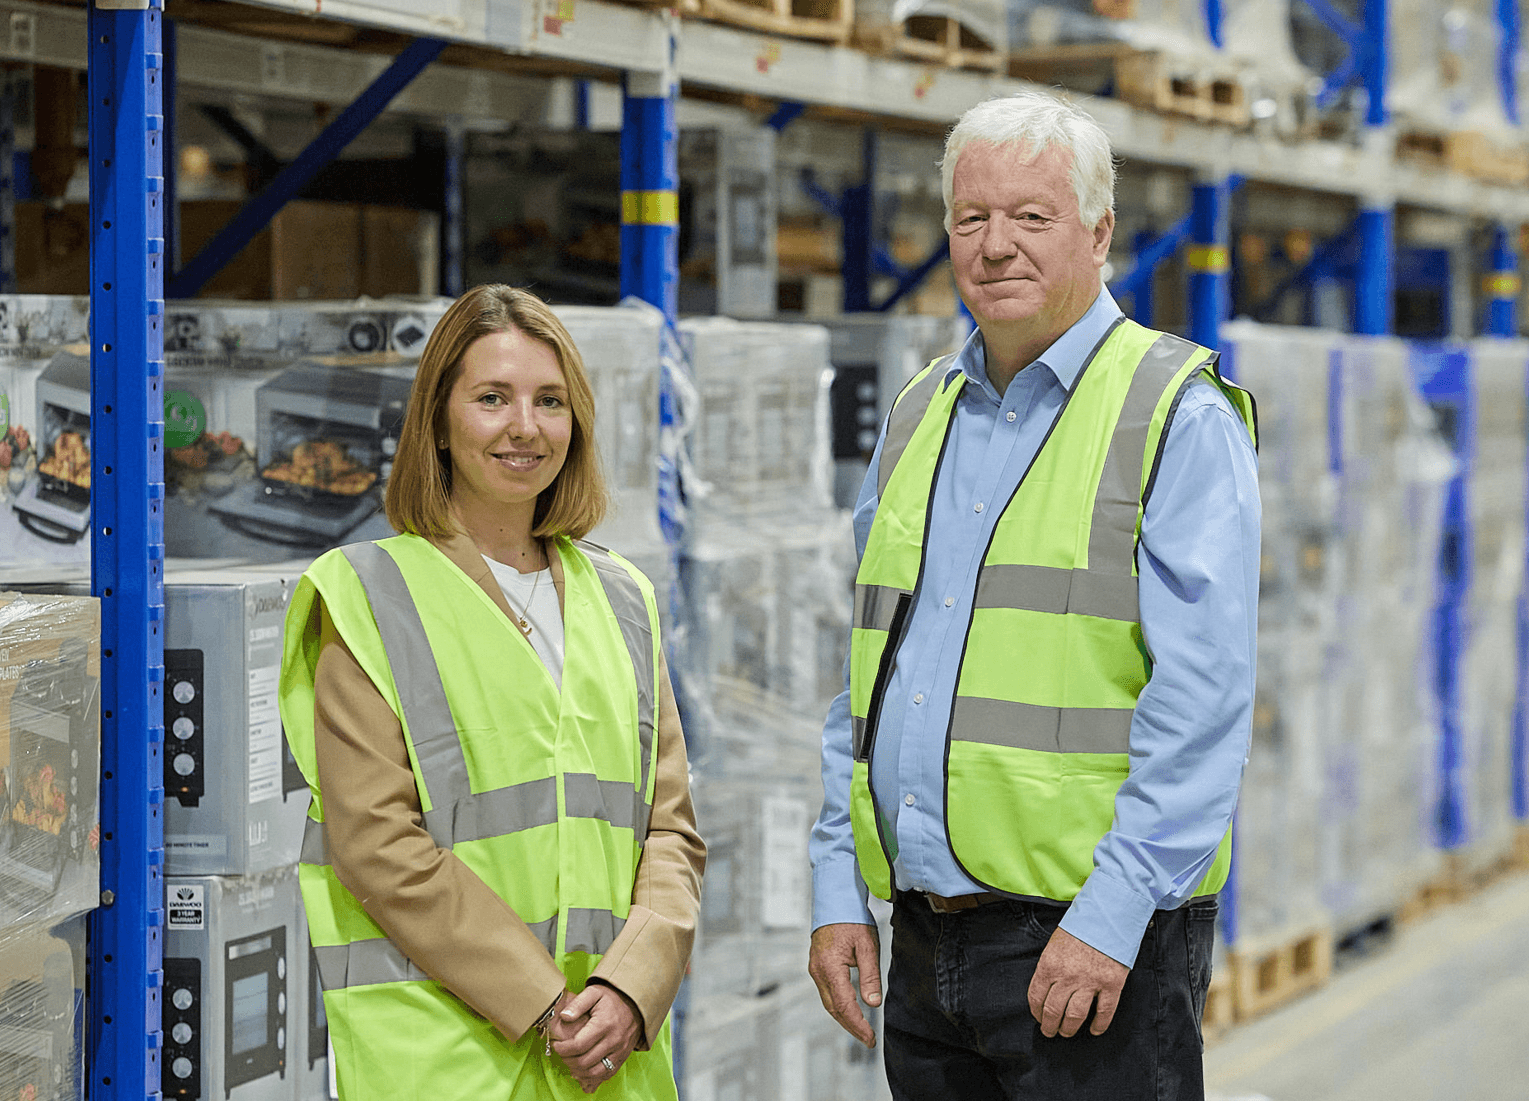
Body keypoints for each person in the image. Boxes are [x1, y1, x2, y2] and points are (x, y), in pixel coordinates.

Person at [807, 91, 1260, 1101]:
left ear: (1098, 233)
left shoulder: (1171, 414)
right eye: (970, 218)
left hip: (1090, 941)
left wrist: (1109, 919)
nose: (994, 245)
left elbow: (1204, 701)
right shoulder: (922, 412)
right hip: (924, 939)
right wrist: (837, 882)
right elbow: (864, 681)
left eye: (1029, 217)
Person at [278, 284, 705, 1100]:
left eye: (550, 400)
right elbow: (378, 846)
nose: (525, 426)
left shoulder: (624, 598)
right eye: (491, 398)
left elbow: (670, 830)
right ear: (438, 420)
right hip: (449, 1056)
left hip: (609, 1057)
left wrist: (630, 987)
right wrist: (546, 1003)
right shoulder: (369, 597)